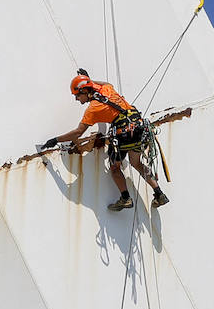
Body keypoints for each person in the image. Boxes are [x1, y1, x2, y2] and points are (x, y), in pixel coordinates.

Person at [41, 69, 170, 211]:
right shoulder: (107, 89)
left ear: (84, 91)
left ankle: (126, 198)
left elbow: (78, 132)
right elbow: (107, 83)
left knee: (115, 168)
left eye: (77, 95)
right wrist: (90, 80)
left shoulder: (93, 110)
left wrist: (55, 140)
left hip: (124, 136)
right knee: (136, 163)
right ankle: (159, 193)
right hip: (139, 129)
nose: (76, 99)